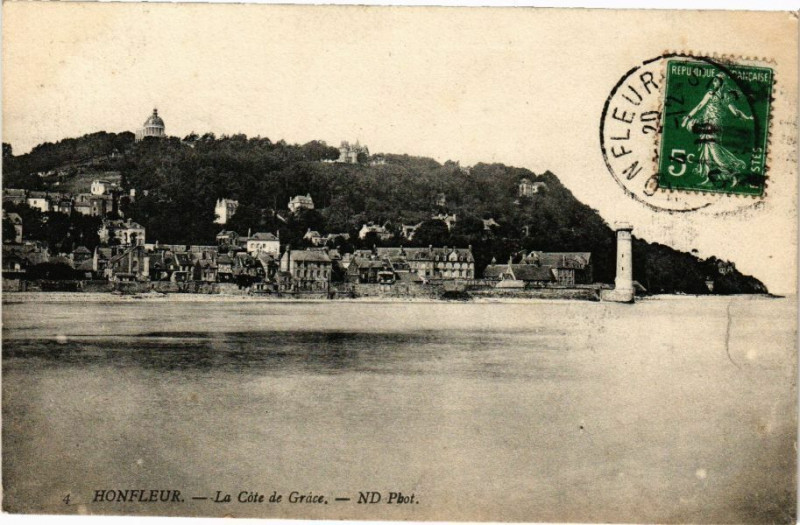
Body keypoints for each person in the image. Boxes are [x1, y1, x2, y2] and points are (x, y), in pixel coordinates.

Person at [681, 73, 753, 187]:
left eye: (716, 80)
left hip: (714, 126)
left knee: (715, 152)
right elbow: (700, 106)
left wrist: (746, 117)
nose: (713, 82)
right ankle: (709, 179)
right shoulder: (710, 94)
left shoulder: (725, 97)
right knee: (707, 153)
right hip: (706, 125)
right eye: (713, 80)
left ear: (721, 82)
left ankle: (732, 174)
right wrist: (688, 118)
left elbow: (735, 112)